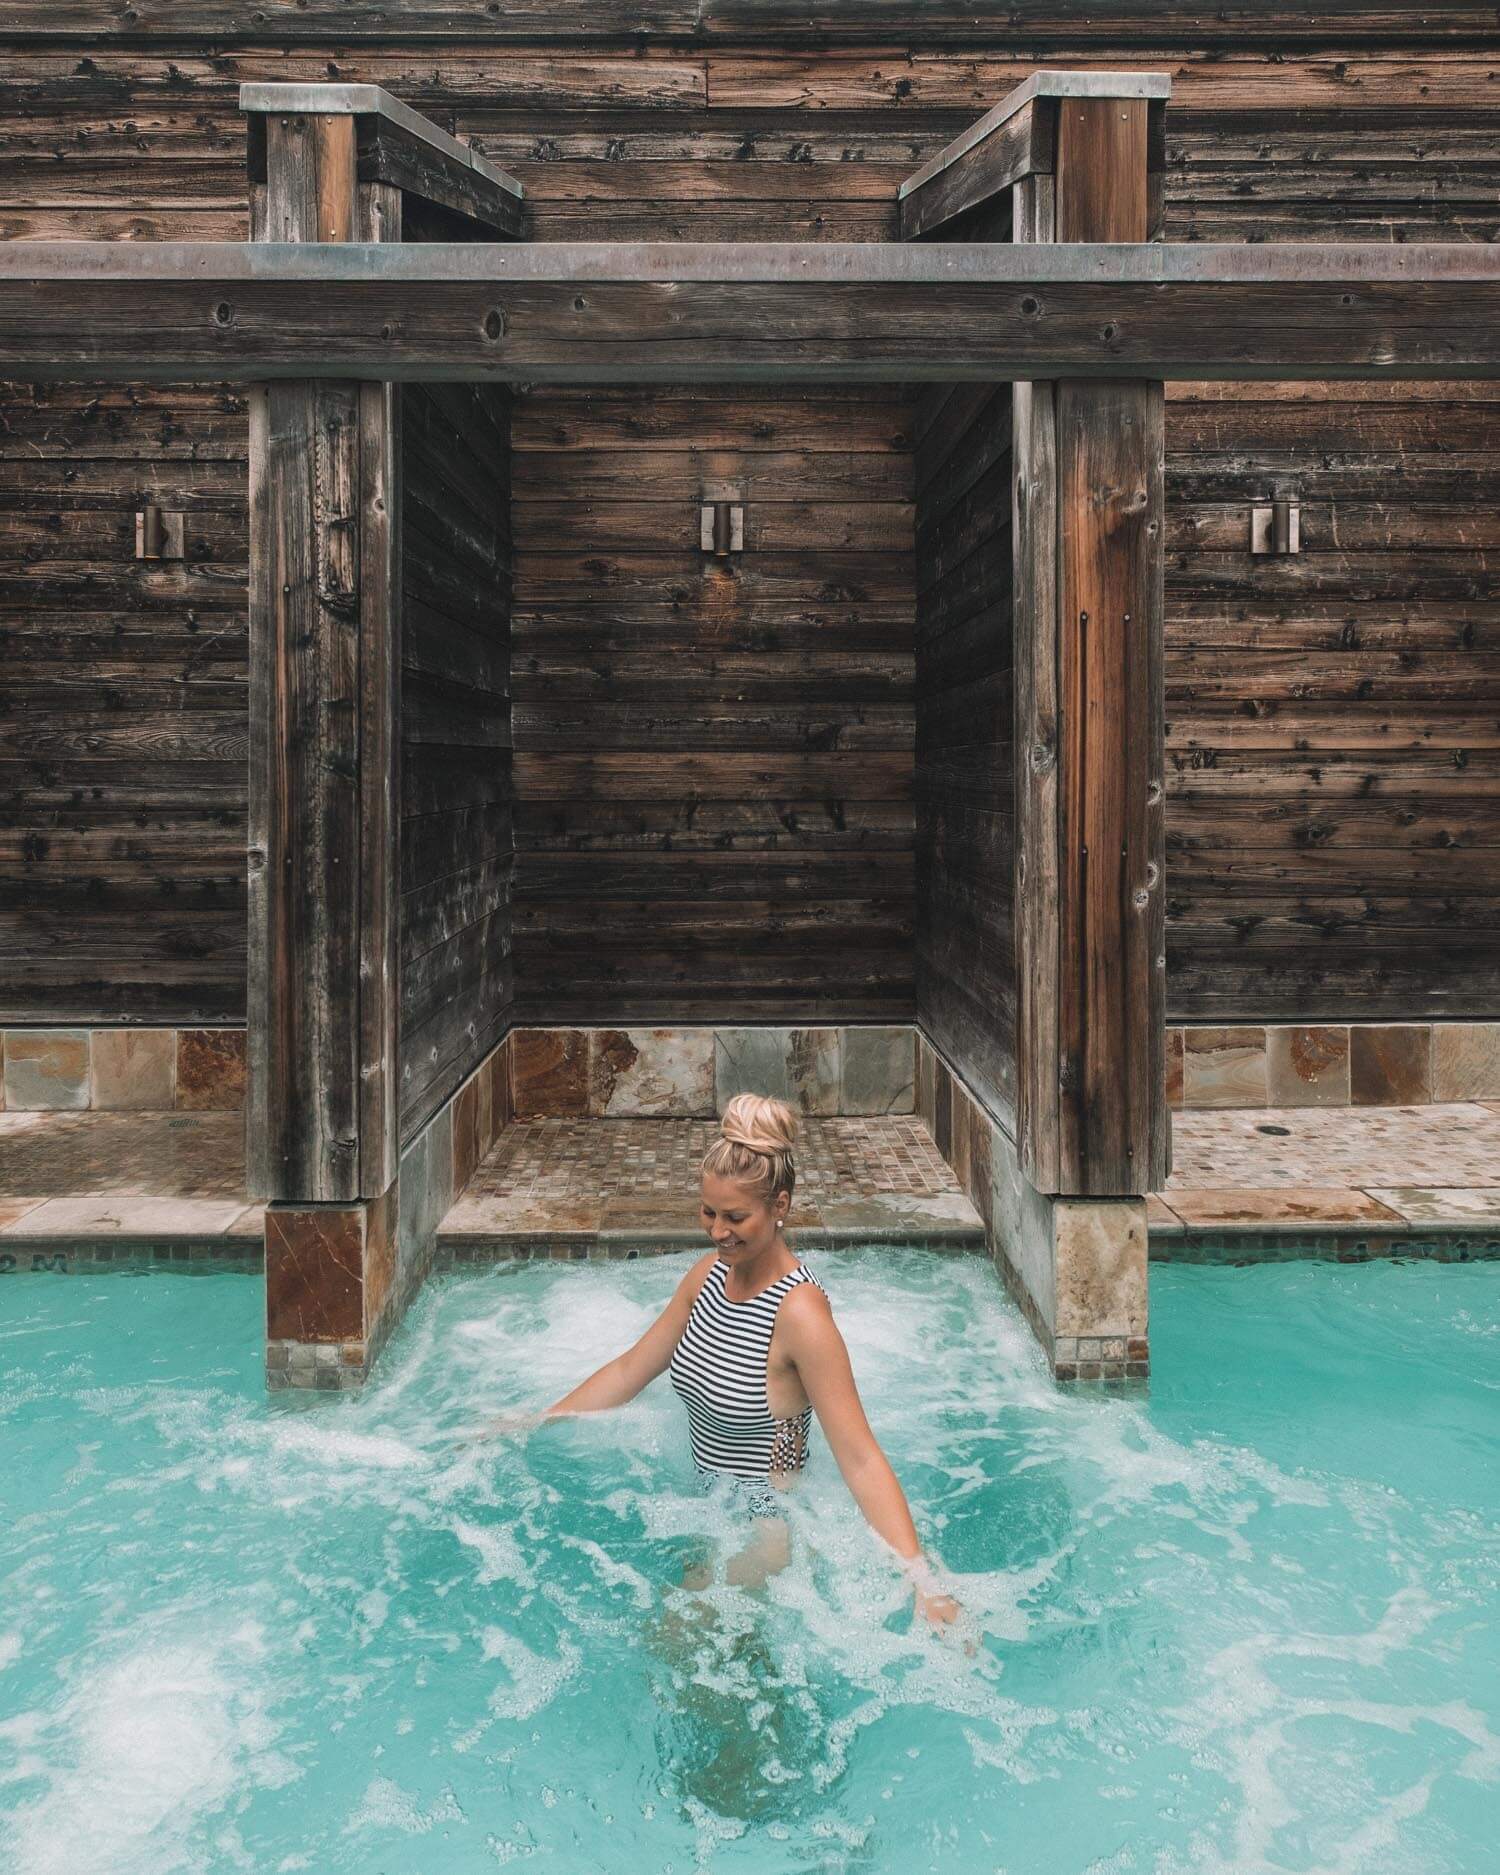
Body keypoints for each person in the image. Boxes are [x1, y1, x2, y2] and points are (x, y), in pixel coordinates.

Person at [480, 1092, 962, 1633]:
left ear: (780, 1207)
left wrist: (923, 1581)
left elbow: (860, 1457)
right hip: (707, 1503)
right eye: (708, 1212)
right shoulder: (708, 1276)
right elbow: (629, 1370)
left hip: (767, 1525)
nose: (716, 1231)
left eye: (736, 1216)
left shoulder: (800, 1314)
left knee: (677, 1639)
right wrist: (535, 1423)